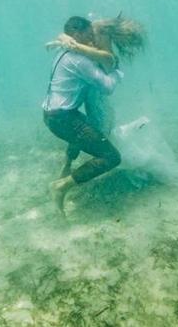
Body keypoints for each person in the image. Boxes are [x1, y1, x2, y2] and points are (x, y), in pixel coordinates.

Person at [43, 16, 124, 215]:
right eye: (88, 36)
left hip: (55, 115)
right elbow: (107, 87)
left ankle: (66, 167)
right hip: (63, 119)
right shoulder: (78, 59)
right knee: (111, 157)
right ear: (77, 35)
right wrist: (117, 72)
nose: (91, 41)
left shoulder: (65, 51)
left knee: (82, 132)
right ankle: (60, 187)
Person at [46, 15, 146, 177]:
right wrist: (65, 38)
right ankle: (68, 175)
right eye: (90, 34)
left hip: (83, 102)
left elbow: (105, 59)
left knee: (91, 133)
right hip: (75, 107)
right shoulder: (86, 47)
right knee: (98, 142)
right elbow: (74, 36)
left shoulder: (101, 53)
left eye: (93, 34)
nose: (91, 37)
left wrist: (70, 42)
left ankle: (68, 168)